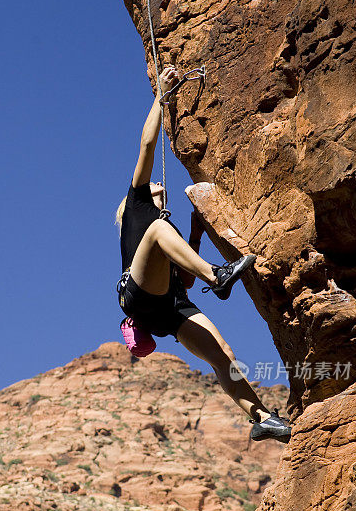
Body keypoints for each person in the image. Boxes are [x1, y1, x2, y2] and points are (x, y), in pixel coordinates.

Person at [116, 66, 291, 443]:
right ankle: (221, 277)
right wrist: (161, 96)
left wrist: (194, 236)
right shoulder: (137, 205)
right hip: (138, 295)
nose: (161, 183)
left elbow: (182, 282)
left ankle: (259, 417)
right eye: (156, 183)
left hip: (168, 308)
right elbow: (148, 146)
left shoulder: (170, 229)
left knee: (221, 354)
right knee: (158, 231)